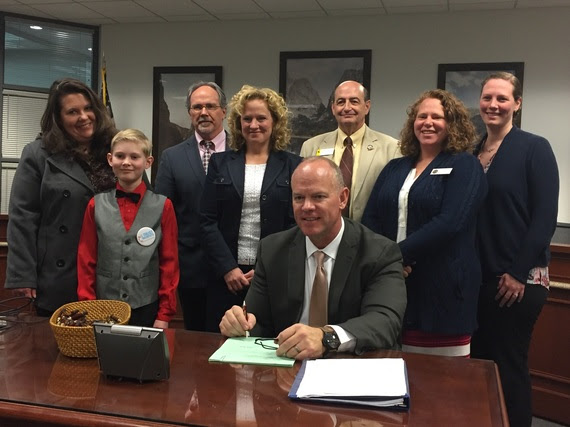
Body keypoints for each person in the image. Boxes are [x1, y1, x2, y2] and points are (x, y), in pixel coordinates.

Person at [220, 157, 407, 360]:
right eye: (299, 198)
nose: (307, 207)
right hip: (288, 368)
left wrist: (326, 338)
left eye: (318, 197)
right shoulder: (272, 249)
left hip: (352, 367)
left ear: (342, 198)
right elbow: (257, 320)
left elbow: (385, 321)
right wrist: (240, 324)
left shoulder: (380, 252)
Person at [362, 89, 487, 357]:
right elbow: (371, 219)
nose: (427, 122)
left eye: (437, 117)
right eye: (422, 116)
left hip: (443, 288)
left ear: (451, 124)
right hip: (392, 284)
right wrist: (384, 260)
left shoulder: (465, 166)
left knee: (444, 385)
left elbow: (450, 223)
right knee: (390, 371)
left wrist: (395, 256)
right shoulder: (394, 168)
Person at [471, 72, 559, 427]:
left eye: (502, 99)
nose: (494, 105)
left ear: (517, 104)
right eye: (488, 97)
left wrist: (518, 273)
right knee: (480, 366)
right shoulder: (474, 150)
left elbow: (544, 217)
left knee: (508, 367)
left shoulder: (534, 147)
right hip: (482, 279)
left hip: (518, 281)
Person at [4, 78, 117, 316]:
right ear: (58, 118)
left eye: (88, 108)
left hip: (114, 270)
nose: (84, 117)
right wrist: (23, 274)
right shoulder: (38, 154)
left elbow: (144, 201)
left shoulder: (118, 148)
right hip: (61, 272)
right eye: (72, 111)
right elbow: (23, 216)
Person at [200, 85, 302, 332]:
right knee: (223, 343)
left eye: (261, 118)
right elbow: (206, 220)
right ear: (238, 123)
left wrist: (266, 267)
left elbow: (295, 224)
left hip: (273, 275)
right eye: (247, 118)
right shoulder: (220, 163)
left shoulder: (292, 165)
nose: (253, 124)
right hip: (225, 277)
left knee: (266, 341)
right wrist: (228, 268)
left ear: (275, 122)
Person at [77, 129, 179, 328]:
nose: (126, 162)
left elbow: (169, 263)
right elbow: (86, 259)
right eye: (120, 156)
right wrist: (87, 305)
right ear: (110, 159)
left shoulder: (164, 206)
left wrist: (164, 314)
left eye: (134, 157)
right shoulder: (95, 205)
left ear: (148, 162)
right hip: (103, 305)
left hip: (146, 306)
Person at [155, 81, 229, 331]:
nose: (204, 112)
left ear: (224, 111)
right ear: (189, 113)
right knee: (197, 341)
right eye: (197, 107)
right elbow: (163, 214)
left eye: (210, 106)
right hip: (192, 268)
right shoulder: (172, 157)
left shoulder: (242, 152)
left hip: (234, 268)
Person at [300, 80, 400, 222]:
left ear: (367, 106)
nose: (347, 108)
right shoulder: (311, 147)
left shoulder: (391, 148)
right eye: (341, 102)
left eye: (354, 101)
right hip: (321, 235)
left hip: (371, 237)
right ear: (333, 108)